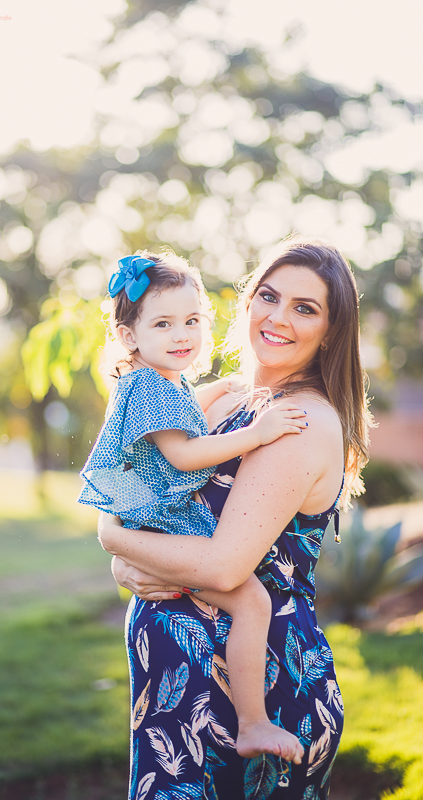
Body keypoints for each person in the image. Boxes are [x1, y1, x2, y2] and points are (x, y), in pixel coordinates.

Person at [98, 238, 373, 799]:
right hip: (177, 688)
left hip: (253, 689)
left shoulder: (300, 420)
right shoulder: (226, 401)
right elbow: (143, 489)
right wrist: (125, 563)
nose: (277, 317)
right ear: (247, 301)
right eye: (268, 296)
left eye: (305, 307)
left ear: (331, 331)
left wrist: (113, 540)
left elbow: (224, 568)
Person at [79, 251, 306, 764]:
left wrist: (217, 389)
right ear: (129, 336)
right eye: (163, 323)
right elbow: (181, 453)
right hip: (164, 519)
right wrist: (257, 432)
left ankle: (248, 719)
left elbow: (178, 420)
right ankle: (254, 724)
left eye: (192, 320)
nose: (182, 334)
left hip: (150, 514)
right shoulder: (149, 386)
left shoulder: (157, 379)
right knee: (250, 601)